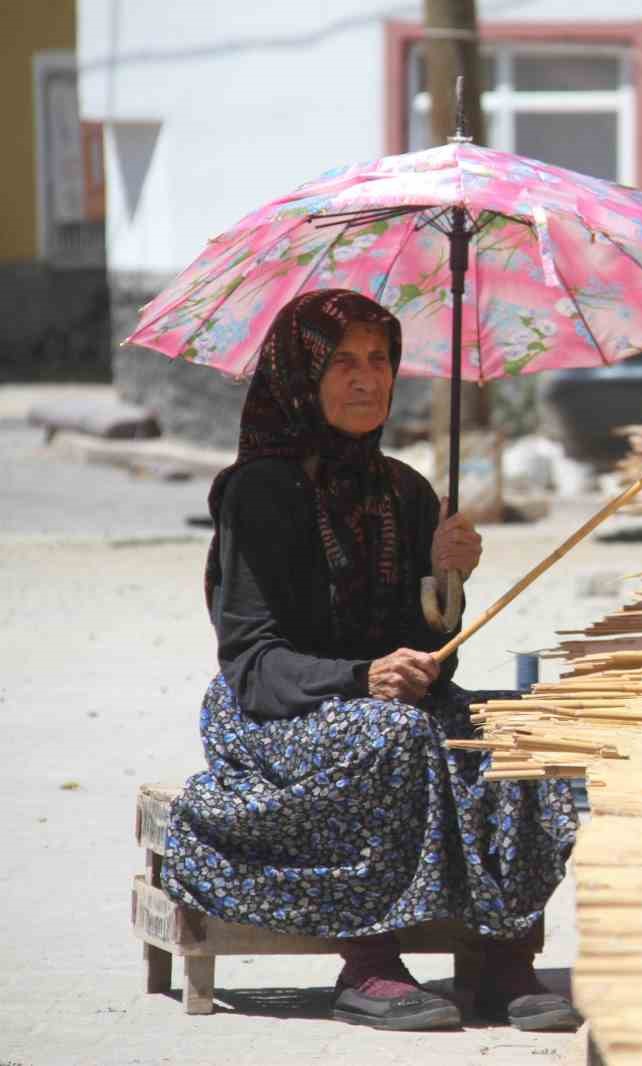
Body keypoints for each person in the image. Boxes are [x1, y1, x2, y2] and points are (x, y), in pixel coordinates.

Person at [160, 288, 580, 1032]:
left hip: (385, 702)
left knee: (517, 727)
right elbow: (253, 663)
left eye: (381, 359)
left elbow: (430, 666)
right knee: (389, 735)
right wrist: (361, 679)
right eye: (344, 361)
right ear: (300, 376)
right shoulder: (258, 492)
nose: (367, 379)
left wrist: (446, 584)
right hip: (277, 711)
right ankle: (370, 962)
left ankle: (501, 955)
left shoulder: (406, 492)